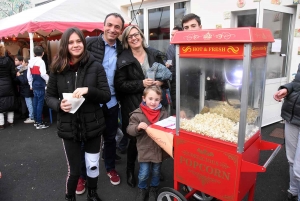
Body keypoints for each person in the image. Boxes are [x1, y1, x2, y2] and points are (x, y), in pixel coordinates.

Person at [45, 27, 111, 201]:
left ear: (84, 42)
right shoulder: (57, 68)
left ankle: (92, 193)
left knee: (93, 165)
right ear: (65, 45)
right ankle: (70, 197)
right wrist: (59, 105)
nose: (75, 45)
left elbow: (106, 95)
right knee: (74, 170)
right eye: (71, 42)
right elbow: (49, 97)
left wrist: (88, 90)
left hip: (93, 125)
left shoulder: (95, 66)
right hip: (69, 127)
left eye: (78, 41)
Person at [114, 25, 166, 188]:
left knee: (155, 136)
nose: (134, 38)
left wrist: (161, 82)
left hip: (154, 104)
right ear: (126, 41)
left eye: (136, 34)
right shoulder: (123, 58)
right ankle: (130, 170)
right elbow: (119, 84)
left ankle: (155, 166)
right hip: (133, 105)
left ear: (142, 36)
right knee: (133, 139)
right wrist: (141, 84)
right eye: (130, 37)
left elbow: (166, 76)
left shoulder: (154, 54)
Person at [85, 13, 124, 186]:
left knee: (110, 138)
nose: (113, 29)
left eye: (117, 27)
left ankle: (110, 167)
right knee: (86, 138)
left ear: (121, 30)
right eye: (110, 25)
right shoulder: (89, 44)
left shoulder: (123, 48)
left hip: (112, 102)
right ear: (103, 25)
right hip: (91, 101)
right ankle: (81, 175)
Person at [127, 86, 168, 201]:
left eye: (156, 99)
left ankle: (153, 188)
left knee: (156, 171)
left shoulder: (163, 113)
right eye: (150, 98)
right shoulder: (137, 114)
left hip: (158, 149)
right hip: (144, 148)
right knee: (144, 172)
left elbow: (168, 127)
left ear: (160, 100)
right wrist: (137, 127)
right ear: (143, 98)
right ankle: (142, 188)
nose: (153, 102)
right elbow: (129, 129)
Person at [273, 64, 300, 201]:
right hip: (292, 118)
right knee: (291, 159)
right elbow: (297, 83)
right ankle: (293, 190)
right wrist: (286, 89)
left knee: (299, 169)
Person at [169, 13, 202, 118]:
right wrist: (179, 107)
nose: (190, 30)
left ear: (200, 27)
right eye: (186, 28)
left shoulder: (212, 47)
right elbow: (174, 82)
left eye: (193, 26)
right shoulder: (178, 51)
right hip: (187, 101)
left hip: (207, 100)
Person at [27, 46, 49, 129]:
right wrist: (48, 80)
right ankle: (39, 123)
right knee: (40, 104)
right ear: (43, 53)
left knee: (35, 103)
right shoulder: (41, 62)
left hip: (34, 85)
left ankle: (36, 121)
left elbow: (28, 75)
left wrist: (30, 85)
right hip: (40, 85)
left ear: (34, 53)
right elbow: (43, 74)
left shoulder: (30, 62)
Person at [0, 44, 16, 129]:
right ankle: (11, 121)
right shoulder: (8, 60)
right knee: (10, 102)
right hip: (8, 83)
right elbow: (13, 73)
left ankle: (1, 124)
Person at [15, 57, 34, 123]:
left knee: (29, 104)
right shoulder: (24, 70)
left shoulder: (25, 71)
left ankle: (32, 117)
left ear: (26, 63)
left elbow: (25, 81)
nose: (22, 63)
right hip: (27, 89)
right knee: (31, 103)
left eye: (23, 62)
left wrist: (19, 76)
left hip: (26, 90)